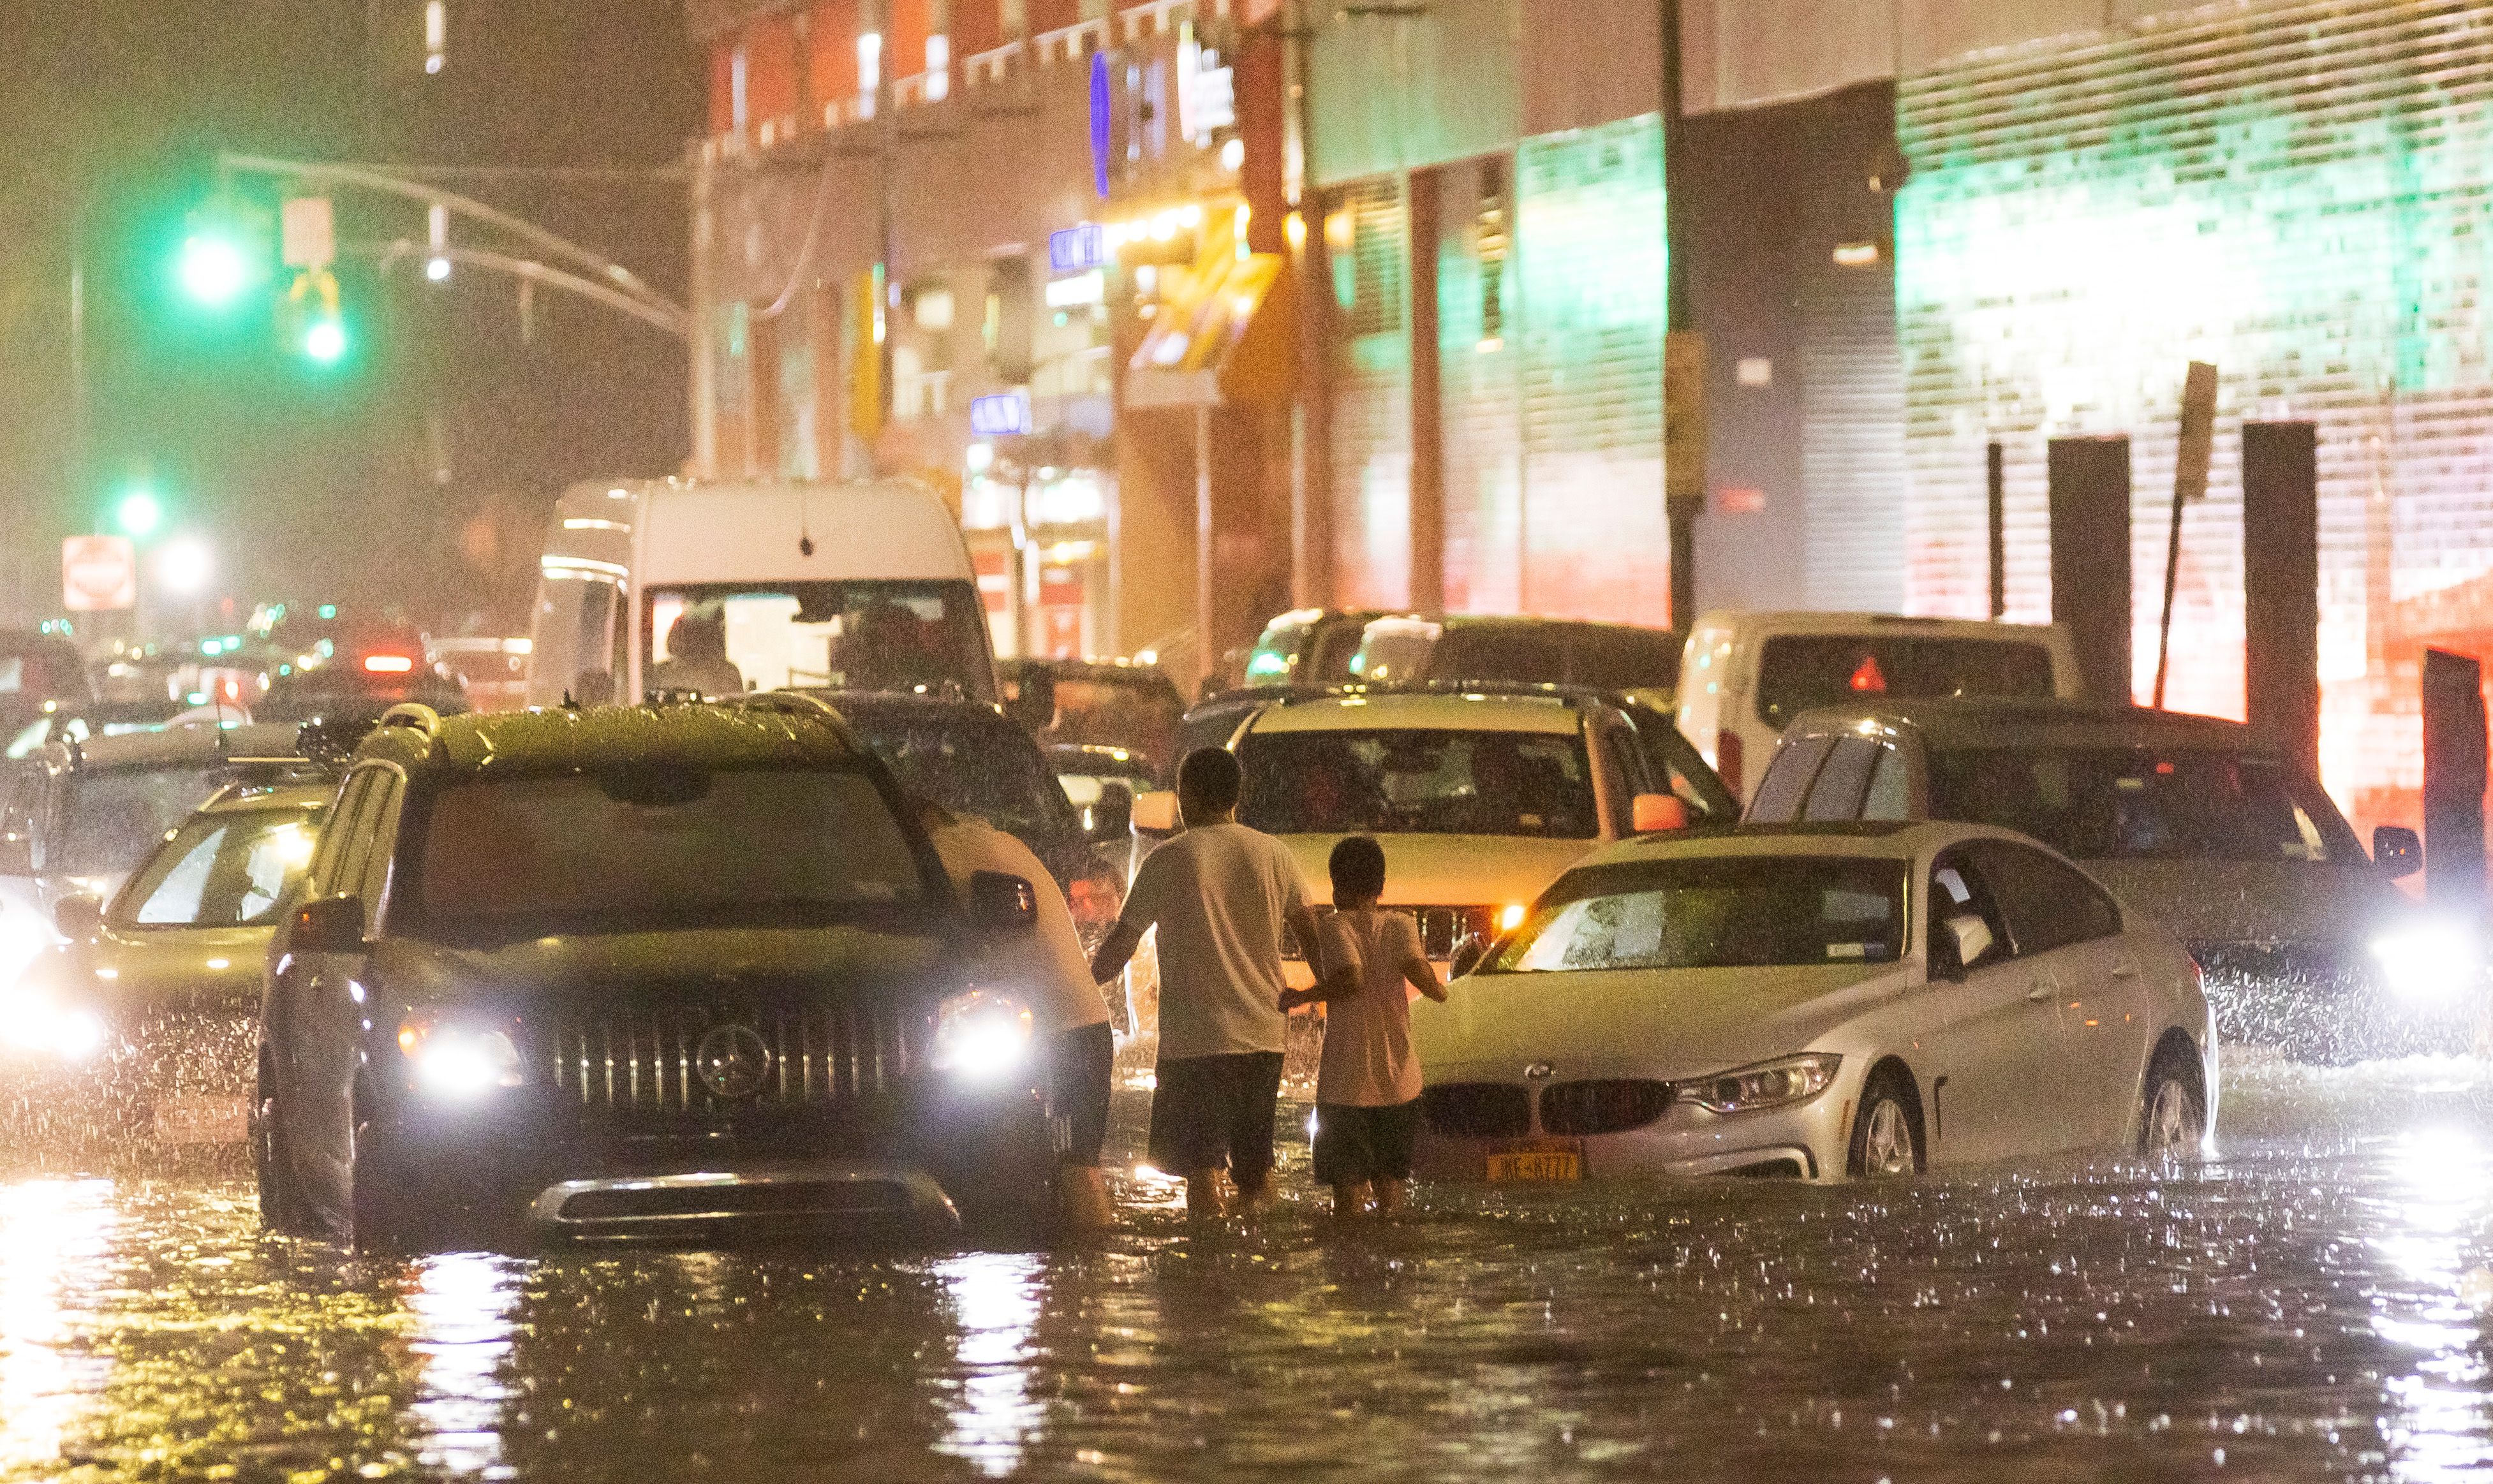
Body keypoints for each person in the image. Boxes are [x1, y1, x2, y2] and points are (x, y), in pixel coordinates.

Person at [1090, 747, 1320, 1219]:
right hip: (1264, 1038)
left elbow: (1122, 945)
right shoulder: (1275, 854)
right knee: (1256, 1171)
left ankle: (1208, 1273)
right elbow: (1314, 940)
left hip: (1196, 1044)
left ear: (1187, 795)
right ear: (1236, 796)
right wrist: (1331, 993)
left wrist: (1078, 984)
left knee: (1202, 1173)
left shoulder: (1170, 858)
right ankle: (1260, 1263)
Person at [919, 800, 1118, 1233]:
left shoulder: (944, 851)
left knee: (1075, 1166)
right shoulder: (998, 841)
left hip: (1065, 1032)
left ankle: (1093, 1268)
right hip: (1064, 1028)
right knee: (1063, 1165)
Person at [1281, 836, 1446, 1219]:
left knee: (1348, 1201)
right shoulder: (1402, 925)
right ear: (1381, 887)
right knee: (1392, 1194)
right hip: (1401, 1081)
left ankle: (1351, 1269)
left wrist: (1303, 995)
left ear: (1337, 888)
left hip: (1347, 1086)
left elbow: (1351, 978)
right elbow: (1430, 986)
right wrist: (1444, 985)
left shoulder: (1335, 926)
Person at [649, 610, 745, 698]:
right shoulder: (660, 672)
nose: (684, 641)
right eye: (682, 635)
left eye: (688, 635)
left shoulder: (726, 673)